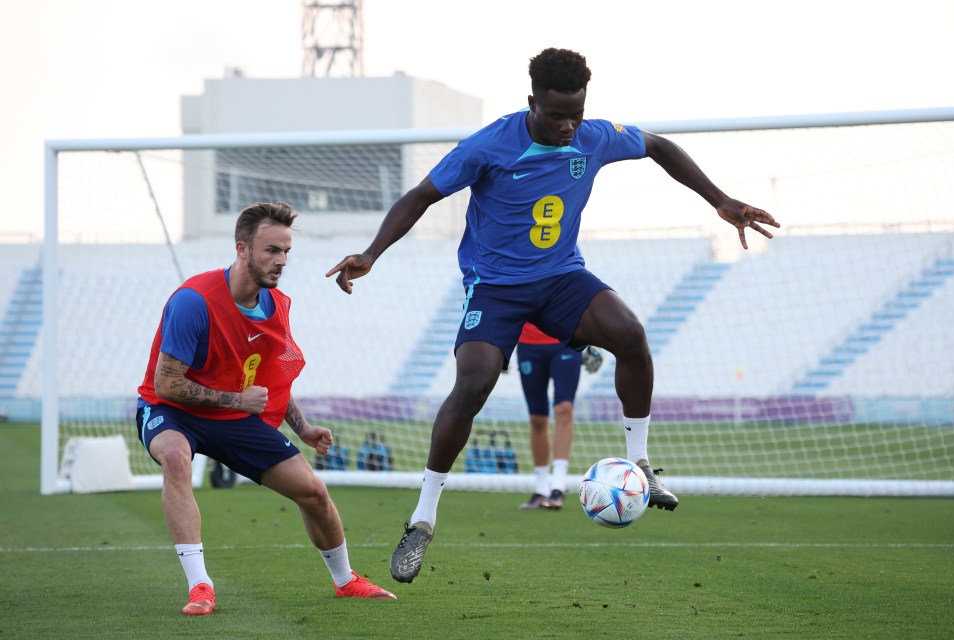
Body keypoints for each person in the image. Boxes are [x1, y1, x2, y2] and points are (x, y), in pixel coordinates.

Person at [326, 48, 779, 584]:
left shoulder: (594, 136)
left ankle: (640, 466)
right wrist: (373, 252)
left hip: (562, 277)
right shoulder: (489, 145)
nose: (568, 127)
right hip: (494, 287)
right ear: (531, 103)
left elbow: (658, 145)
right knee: (472, 385)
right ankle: (423, 518)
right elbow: (421, 196)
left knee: (630, 335)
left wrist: (720, 200)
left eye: (576, 115)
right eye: (556, 115)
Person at [137, 201, 397, 615]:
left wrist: (303, 427)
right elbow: (167, 384)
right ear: (242, 250)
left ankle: (346, 580)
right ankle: (200, 587)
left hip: (233, 416)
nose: (281, 261)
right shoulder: (194, 301)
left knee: (312, 491)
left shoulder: (276, 306)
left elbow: (273, 379)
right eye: (271, 251)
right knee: (174, 456)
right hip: (172, 411)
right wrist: (238, 400)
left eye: (286, 251)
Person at [514, 322, 600, 511]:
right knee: (537, 419)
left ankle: (558, 488)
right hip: (528, 344)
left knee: (564, 408)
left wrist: (592, 341)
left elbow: (581, 295)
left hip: (565, 340)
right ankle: (541, 489)